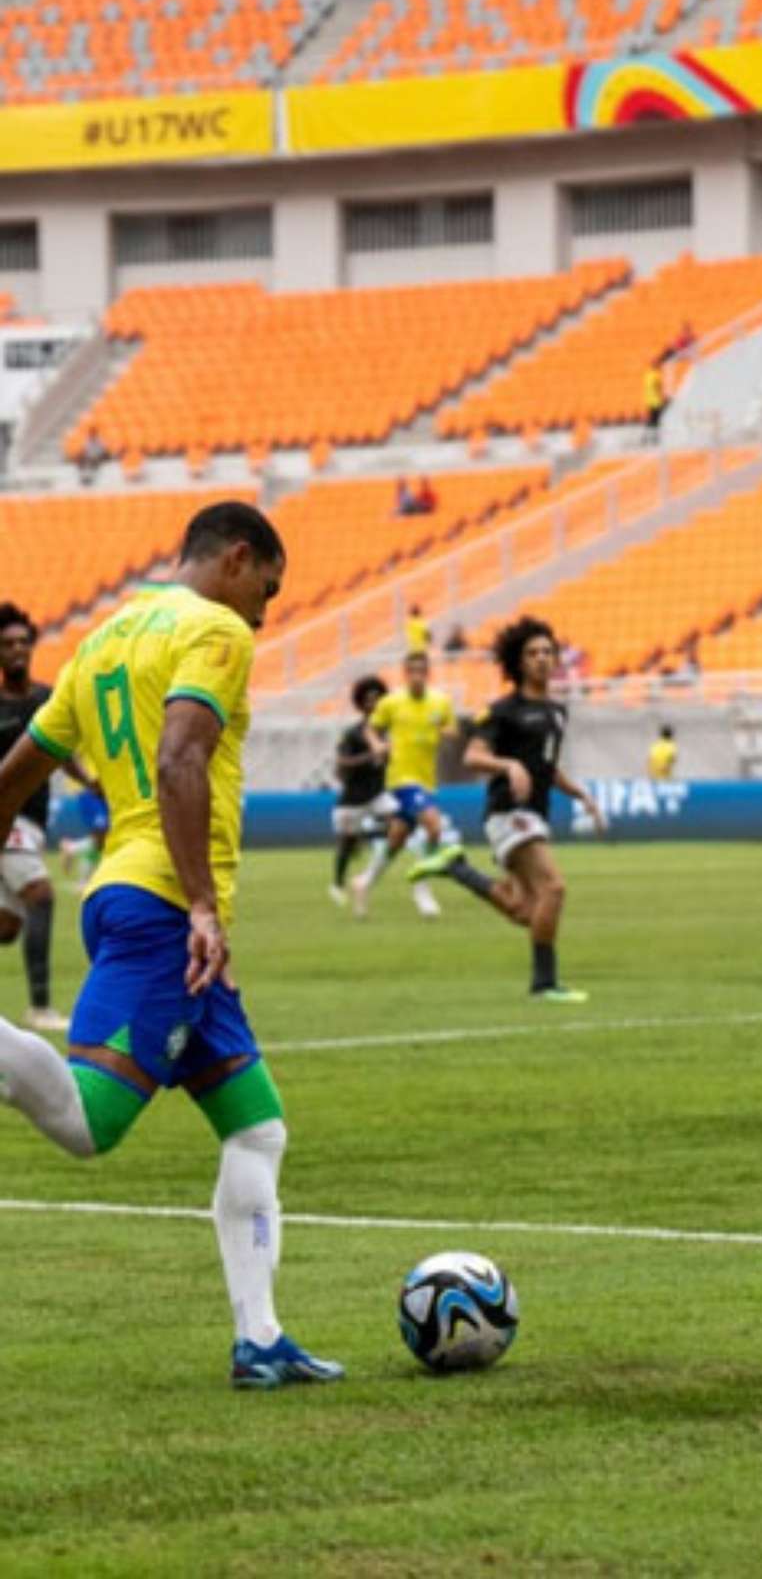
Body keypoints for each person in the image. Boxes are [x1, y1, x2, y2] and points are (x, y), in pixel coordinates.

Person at [0, 500, 343, 1388]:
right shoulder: (216, 633)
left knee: (257, 1127)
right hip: (164, 910)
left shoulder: (105, 639)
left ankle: (260, 1339)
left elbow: (12, 777)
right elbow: (179, 760)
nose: (266, 612)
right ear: (236, 560)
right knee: (87, 1124)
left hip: (130, 891)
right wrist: (201, 907)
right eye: (267, 590)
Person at [411, 616, 607, 1001]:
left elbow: (546, 768)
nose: (542, 659)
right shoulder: (503, 711)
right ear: (518, 662)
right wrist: (509, 765)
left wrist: (581, 795)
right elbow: (473, 755)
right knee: (554, 886)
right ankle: (545, 984)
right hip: (508, 812)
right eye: (533, 652)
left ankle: (457, 867)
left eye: (548, 651)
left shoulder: (557, 713)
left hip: (534, 814)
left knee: (525, 911)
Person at [0, 602, 98, 1030]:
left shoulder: (45, 698)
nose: (18, 650)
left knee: (6, 928)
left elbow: (58, 751)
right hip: (7, 819)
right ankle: (40, 1008)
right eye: (7, 644)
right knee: (41, 895)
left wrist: (92, 781)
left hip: (32, 825)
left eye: (24, 642)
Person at [349, 651, 458, 919]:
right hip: (401, 778)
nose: (418, 676)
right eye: (413, 671)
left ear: (428, 673)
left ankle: (364, 882)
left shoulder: (440, 702)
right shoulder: (392, 703)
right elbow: (370, 728)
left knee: (397, 838)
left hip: (427, 779)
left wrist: (445, 732)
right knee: (434, 825)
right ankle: (422, 889)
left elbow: (453, 731)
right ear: (406, 674)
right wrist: (376, 745)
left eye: (423, 671)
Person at [328, 675, 392, 907]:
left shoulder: (388, 730)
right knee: (347, 844)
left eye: (378, 699)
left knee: (401, 821)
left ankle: (367, 873)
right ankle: (337, 883)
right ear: (361, 703)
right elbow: (342, 763)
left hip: (378, 795)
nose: (374, 704)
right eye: (369, 700)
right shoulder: (353, 733)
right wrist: (370, 756)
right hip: (353, 800)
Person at [643, 361, 666, 438]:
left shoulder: (648, 375)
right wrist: (663, 397)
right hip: (656, 401)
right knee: (656, 420)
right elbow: (658, 387)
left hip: (649, 401)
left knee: (651, 420)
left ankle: (646, 437)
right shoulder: (656, 375)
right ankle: (655, 437)